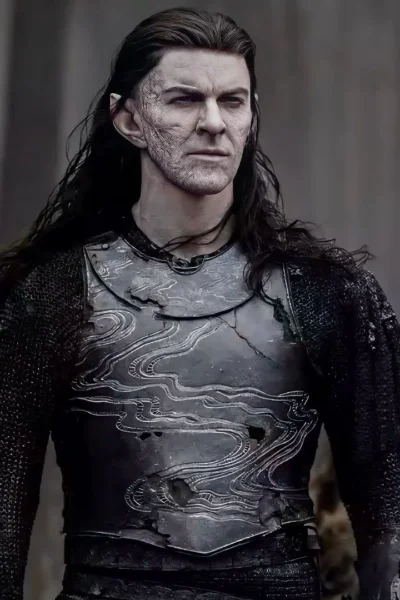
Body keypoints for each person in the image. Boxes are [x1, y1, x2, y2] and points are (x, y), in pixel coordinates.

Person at [0, 7, 399, 600]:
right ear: (128, 119)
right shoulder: (53, 294)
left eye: (231, 102)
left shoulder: (328, 292)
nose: (213, 123)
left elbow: (390, 511)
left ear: (251, 117)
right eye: (184, 100)